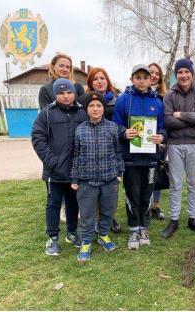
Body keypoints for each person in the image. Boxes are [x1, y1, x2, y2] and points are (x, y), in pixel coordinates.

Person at [32, 78, 87, 256]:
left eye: (69, 92)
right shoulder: (47, 113)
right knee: (54, 204)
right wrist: (52, 161)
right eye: (61, 93)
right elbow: (38, 138)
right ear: (55, 94)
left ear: (75, 93)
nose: (66, 96)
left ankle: (72, 233)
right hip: (54, 171)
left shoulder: (82, 113)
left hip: (75, 171)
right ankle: (53, 238)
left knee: (73, 203)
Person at [113, 64, 166, 250]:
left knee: (147, 194)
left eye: (145, 77)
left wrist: (162, 136)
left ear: (150, 80)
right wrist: (123, 133)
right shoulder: (123, 100)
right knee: (132, 194)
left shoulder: (157, 102)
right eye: (138, 77)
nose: (142, 81)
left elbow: (162, 127)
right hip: (131, 159)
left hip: (150, 158)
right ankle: (133, 229)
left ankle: (144, 227)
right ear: (132, 79)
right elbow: (116, 125)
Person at [71, 92, 123, 261]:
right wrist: (74, 179)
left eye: (98, 105)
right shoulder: (80, 130)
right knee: (86, 213)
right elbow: (76, 156)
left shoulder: (112, 128)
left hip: (109, 179)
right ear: (86, 109)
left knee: (108, 210)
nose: (95, 109)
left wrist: (119, 173)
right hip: (86, 181)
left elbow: (117, 152)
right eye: (91, 106)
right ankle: (86, 240)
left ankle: (103, 234)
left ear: (103, 108)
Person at [161, 58, 195, 239]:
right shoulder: (169, 96)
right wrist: (192, 120)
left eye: (186, 72)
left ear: (192, 73)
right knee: (175, 183)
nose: (183, 75)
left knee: (193, 182)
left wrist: (180, 115)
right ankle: (173, 219)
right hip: (174, 145)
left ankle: (192, 217)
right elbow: (167, 120)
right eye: (180, 72)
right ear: (176, 75)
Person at [38, 52, 85, 224]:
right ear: (53, 67)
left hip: (75, 144)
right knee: (56, 189)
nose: (65, 69)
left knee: (73, 186)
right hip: (56, 145)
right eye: (61, 65)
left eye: (68, 66)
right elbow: (46, 118)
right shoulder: (46, 90)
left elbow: (81, 113)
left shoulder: (78, 87)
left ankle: (73, 217)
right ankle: (60, 215)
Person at [84, 67, 122, 234]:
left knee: (110, 190)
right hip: (92, 150)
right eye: (96, 79)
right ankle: (96, 220)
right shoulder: (84, 102)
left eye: (102, 78)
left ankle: (109, 218)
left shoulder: (116, 100)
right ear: (91, 82)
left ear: (108, 81)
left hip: (112, 146)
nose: (99, 81)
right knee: (93, 189)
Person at [148, 62, 168, 220]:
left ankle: (156, 206)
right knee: (145, 175)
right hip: (142, 141)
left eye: (157, 73)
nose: (154, 75)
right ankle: (145, 206)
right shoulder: (138, 93)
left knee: (158, 173)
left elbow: (166, 120)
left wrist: (163, 138)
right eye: (151, 72)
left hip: (159, 141)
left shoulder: (164, 96)